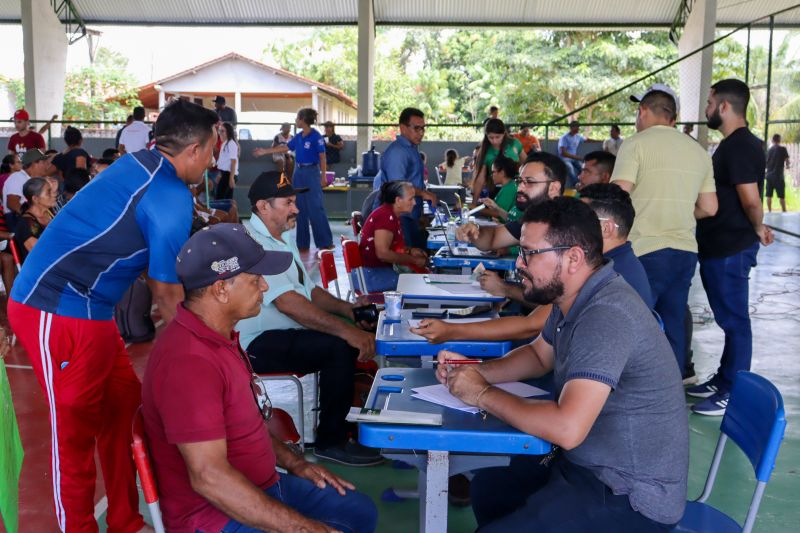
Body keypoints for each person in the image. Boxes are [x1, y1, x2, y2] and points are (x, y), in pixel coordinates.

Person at [7, 99, 219, 533]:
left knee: (124, 409)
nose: (214, 159)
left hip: (92, 309)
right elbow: (165, 293)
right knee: (74, 432)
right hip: (53, 307)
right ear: (194, 149)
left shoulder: (141, 163)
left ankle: (124, 519)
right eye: (213, 149)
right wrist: (202, 353)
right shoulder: (169, 194)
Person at [440, 196, 688, 532]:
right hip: (588, 464)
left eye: (530, 253)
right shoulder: (571, 295)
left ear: (573, 257)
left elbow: (567, 429)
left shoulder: (606, 315)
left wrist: (482, 394)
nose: (519, 264)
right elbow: (539, 355)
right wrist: (475, 373)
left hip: (629, 493)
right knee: (491, 488)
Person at [143, 223, 376, 533]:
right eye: (255, 280)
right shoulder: (189, 362)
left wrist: (296, 464)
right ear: (221, 289)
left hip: (262, 485)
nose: (265, 287)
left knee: (358, 511)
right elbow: (209, 478)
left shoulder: (220, 337)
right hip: (215, 516)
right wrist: (304, 529)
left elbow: (246, 423)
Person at [236, 171, 382, 467]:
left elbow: (309, 291)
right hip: (256, 344)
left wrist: (349, 311)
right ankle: (332, 441)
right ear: (263, 207)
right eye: (288, 202)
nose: (296, 208)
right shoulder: (256, 244)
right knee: (338, 347)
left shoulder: (282, 236)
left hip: (284, 332)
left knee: (353, 330)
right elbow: (289, 303)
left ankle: (350, 422)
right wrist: (347, 332)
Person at [412, 182, 653, 344]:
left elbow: (531, 325)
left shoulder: (607, 274)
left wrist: (451, 331)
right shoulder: (609, 261)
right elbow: (540, 353)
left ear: (607, 228)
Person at [611, 83, 718, 377]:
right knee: (673, 320)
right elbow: (709, 208)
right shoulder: (698, 152)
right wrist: (681, 210)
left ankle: (627, 387)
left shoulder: (636, 144)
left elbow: (617, 196)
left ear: (643, 111)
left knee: (631, 319)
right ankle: (670, 389)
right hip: (684, 251)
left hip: (642, 249)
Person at [690, 79, 774, 416]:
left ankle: (734, 391)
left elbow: (749, 197)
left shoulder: (741, 146)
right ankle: (724, 379)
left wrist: (757, 226)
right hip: (719, 244)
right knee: (728, 319)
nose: (707, 109)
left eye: (710, 102)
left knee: (735, 320)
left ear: (724, 106)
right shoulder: (732, 144)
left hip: (731, 246)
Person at [253, 108, 334, 252]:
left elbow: (322, 157)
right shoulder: (298, 136)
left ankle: (325, 242)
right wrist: (265, 151)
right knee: (298, 208)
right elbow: (285, 148)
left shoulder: (316, 137)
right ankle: (302, 244)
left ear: (303, 120)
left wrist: (323, 176)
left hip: (312, 172)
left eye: (297, 118)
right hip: (299, 172)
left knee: (316, 207)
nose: (296, 120)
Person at [377, 107, 437, 249]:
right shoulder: (397, 153)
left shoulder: (411, 149)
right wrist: (424, 194)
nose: (421, 133)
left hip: (411, 215)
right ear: (403, 128)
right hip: (399, 217)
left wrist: (421, 212)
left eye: (423, 128)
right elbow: (398, 188)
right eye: (417, 128)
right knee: (408, 262)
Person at [359, 181, 428, 291]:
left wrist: (410, 251)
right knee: (418, 284)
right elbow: (383, 253)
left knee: (419, 280)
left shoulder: (391, 214)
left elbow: (392, 247)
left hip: (375, 271)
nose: (414, 203)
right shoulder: (385, 217)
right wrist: (413, 260)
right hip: (371, 275)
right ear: (398, 201)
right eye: (411, 199)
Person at [470, 118, 526, 205]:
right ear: (486, 135)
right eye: (491, 137)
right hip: (496, 191)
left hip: (517, 189)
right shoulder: (485, 152)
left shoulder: (514, 144)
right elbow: (480, 179)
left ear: (504, 134)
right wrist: (474, 203)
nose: (494, 141)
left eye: (497, 137)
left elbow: (527, 164)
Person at [13, 177, 55, 264]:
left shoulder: (51, 213)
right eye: (48, 192)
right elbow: (40, 253)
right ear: (35, 199)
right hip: (42, 269)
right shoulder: (25, 224)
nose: (54, 194)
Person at [3, 149, 49, 225]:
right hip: (16, 217)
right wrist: (33, 217)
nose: (47, 165)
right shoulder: (18, 177)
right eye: (43, 162)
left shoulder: (32, 179)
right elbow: (12, 203)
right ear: (34, 163)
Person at [480, 155, 520, 222]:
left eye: (493, 172)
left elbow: (497, 214)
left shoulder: (509, 189)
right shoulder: (508, 186)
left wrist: (473, 208)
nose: (491, 175)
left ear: (502, 173)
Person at [765, 133, 790, 212]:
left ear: (773, 140)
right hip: (778, 176)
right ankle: (784, 211)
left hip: (769, 176)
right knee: (781, 196)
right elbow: (787, 161)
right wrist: (787, 166)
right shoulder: (783, 149)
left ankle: (769, 212)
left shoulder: (769, 150)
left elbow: (766, 162)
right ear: (779, 140)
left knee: (769, 195)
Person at [558, 120, 586, 189]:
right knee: (571, 170)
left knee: (583, 168)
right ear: (571, 127)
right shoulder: (564, 138)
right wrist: (577, 157)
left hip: (574, 159)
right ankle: (576, 186)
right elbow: (563, 153)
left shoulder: (578, 137)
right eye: (576, 127)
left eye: (578, 127)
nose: (578, 129)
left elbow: (586, 140)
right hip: (565, 159)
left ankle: (584, 184)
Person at [215, 122, 239, 201]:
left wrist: (231, 178)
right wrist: (219, 174)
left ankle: (226, 213)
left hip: (228, 174)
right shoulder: (225, 143)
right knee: (224, 199)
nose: (220, 133)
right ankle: (228, 213)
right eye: (219, 131)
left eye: (222, 131)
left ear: (228, 132)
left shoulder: (231, 143)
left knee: (221, 199)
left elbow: (233, 161)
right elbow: (223, 162)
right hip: (224, 174)